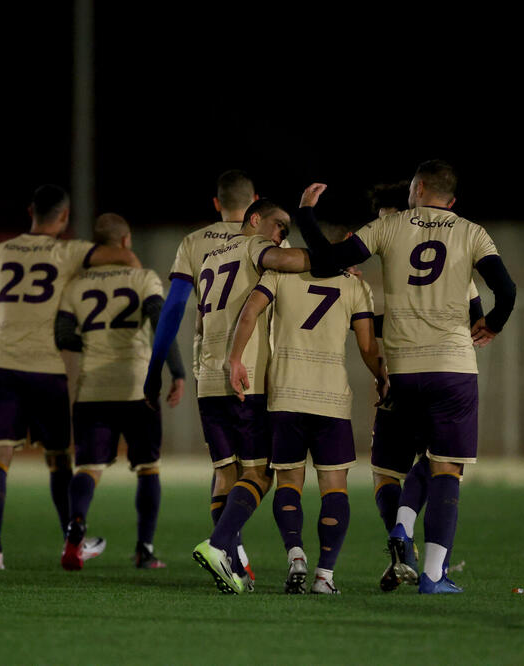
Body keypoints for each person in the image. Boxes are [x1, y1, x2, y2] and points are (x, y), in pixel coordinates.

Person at [292, 160, 516, 595]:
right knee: (445, 467)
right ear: (451, 201)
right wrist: (493, 323)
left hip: (401, 371)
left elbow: (327, 258)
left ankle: (402, 539)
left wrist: (305, 214)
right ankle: (432, 573)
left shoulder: (389, 227)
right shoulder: (472, 232)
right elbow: (504, 291)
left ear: (416, 189)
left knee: (386, 472)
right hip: (451, 368)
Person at [0, 185, 141, 571]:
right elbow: (126, 257)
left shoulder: (2, 251)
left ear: (31, 211)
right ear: (63, 218)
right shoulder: (70, 251)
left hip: (1, 367)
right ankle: (71, 539)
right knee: (59, 458)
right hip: (48, 372)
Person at [227, 220, 385, 594]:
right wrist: (383, 377)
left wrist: (235, 358)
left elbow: (248, 313)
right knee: (334, 487)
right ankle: (324, 576)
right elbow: (367, 347)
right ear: (347, 245)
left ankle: (295, 553)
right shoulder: (356, 286)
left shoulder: (279, 274)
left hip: (285, 395)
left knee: (288, 483)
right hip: (330, 398)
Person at [364, 180, 488, 592]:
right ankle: (416, 557)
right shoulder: (437, 250)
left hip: (400, 375)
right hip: (430, 372)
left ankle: (410, 551)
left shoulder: (387, 253)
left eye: (391, 218)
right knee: (410, 468)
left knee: (417, 466)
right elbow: (475, 315)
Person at [142, 169, 260, 583]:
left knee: (225, 468)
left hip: (206, 370)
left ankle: (233, 555)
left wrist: (155, 368)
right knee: (260, 469)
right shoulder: (264, 241)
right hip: (252, 369)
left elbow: (172, 310)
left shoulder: (194, 242)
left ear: (216, 203)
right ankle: (237, 548)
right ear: (255, 202)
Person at [189, 199, 312, 594]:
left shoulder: (208, 259)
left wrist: (202, 370)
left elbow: (198, 322)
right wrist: (330, 255)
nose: (281, 237)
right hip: (245, 378)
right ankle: (218, 545)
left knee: (226, 473)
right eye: (279, 226)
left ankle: (227, 564)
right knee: (260, 473)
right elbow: (289, 261)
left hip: (209, 378)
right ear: (256, 219)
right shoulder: (253, 246)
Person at [54, 213, 186, 570]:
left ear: (96, 247)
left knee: (88, 468)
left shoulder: (75, 286)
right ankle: (144, 549)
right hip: (136, 386)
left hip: (93, 388)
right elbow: (161, 322)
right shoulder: (142, 278)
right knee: (148, 468)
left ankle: (76, 526)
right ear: (126, 241)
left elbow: (63, 335)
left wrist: (90, 348)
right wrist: (176, 372)